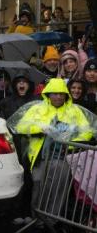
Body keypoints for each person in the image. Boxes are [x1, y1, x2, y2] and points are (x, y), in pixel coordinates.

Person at [12, 78, 93, 216]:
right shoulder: (37, 108)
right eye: (54, 93)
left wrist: (70, 140)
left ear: (66, 95)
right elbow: (20, 126)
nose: (58, 96)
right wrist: (39, 128)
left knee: (58, 188)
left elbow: (88, 132)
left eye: (61, 93)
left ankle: (51, 219)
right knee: (38, 184)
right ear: (48, 94)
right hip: (40, 156)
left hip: (63, 156)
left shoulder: (75, 111)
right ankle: (36, 217)